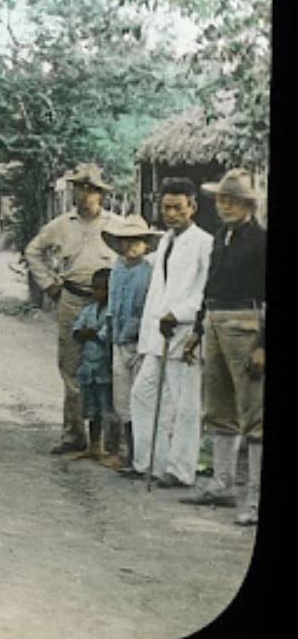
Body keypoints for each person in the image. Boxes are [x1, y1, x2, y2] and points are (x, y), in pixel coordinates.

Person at [180, 169, 266, 525]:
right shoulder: (221, 237)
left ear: (248, 204)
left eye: (232, 200)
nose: (225, 206)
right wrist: (199, 329)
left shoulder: (261, 241)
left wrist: (263, 345)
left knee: (255, 417)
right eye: (221, 199)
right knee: (218, 408)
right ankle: (222, 483)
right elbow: (209, 287)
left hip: (247, 325)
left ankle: (255, 501)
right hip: (215, 323)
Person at [24, 163, 121, 453]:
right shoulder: (62, 224)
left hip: (106, 301)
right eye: (80, 188)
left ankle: (108, 439)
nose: (85, 194)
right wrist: (49, 284)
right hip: (72, 298)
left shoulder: (115, 224)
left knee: (109, 364)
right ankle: (73, 433)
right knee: (71, 365)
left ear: (101, 194)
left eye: (91, 189)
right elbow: (33, 251)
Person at [124, 177, 213, 488]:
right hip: (156, 334)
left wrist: (180, 313)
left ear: (192, 207)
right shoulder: (164, 241)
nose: (171, 214)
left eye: (177, 208)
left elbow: (205, 291)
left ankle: (181, 469)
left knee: (185, 404)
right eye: (166, 208)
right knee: (143, 394)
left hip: (184, 333)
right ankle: (149, 462)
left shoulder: (204, 243)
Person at [101, 215, 161, 471]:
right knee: (122, 400)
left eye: (137, 241)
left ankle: (143, 457)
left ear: (146, 243)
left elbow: (148, 308)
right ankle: (129, 454)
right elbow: (112, 306)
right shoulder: (117, 270)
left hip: (140, 342)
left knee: (141, 399)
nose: (131, 246)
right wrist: (108, 331)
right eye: (126, 241)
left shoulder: (151, 273)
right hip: (117, 341)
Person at [69, 268, 118, 466]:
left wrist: (89, 333)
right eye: (96, 289)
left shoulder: (111, 312)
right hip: (88, 368)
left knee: (107, 408)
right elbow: (77, 331)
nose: (100, 293)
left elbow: (104, 334)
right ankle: (94, 445)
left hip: (104, 368)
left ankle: (110, 448)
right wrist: (87, 332)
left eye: (104, 289)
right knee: (90, 409)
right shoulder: (88, 310)